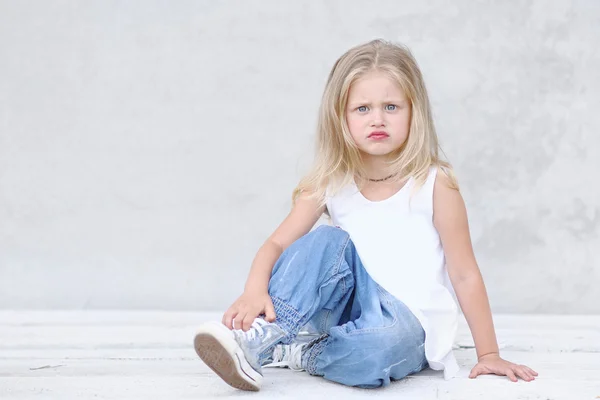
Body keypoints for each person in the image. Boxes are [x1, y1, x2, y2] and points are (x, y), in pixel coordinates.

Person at [193, 39, 538, 391]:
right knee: (327, 240)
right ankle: (259, 338)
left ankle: (301, 352)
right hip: (344, 312)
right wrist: (254, 291)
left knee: (378, 350)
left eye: (391, 107)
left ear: (413, 112)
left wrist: (489, 353)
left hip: (406, 328)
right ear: (340, 117)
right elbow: (277, 243)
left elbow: (464, 274)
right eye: (362, 109)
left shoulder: (435, 184)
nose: (377, 119)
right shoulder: (331, 182)